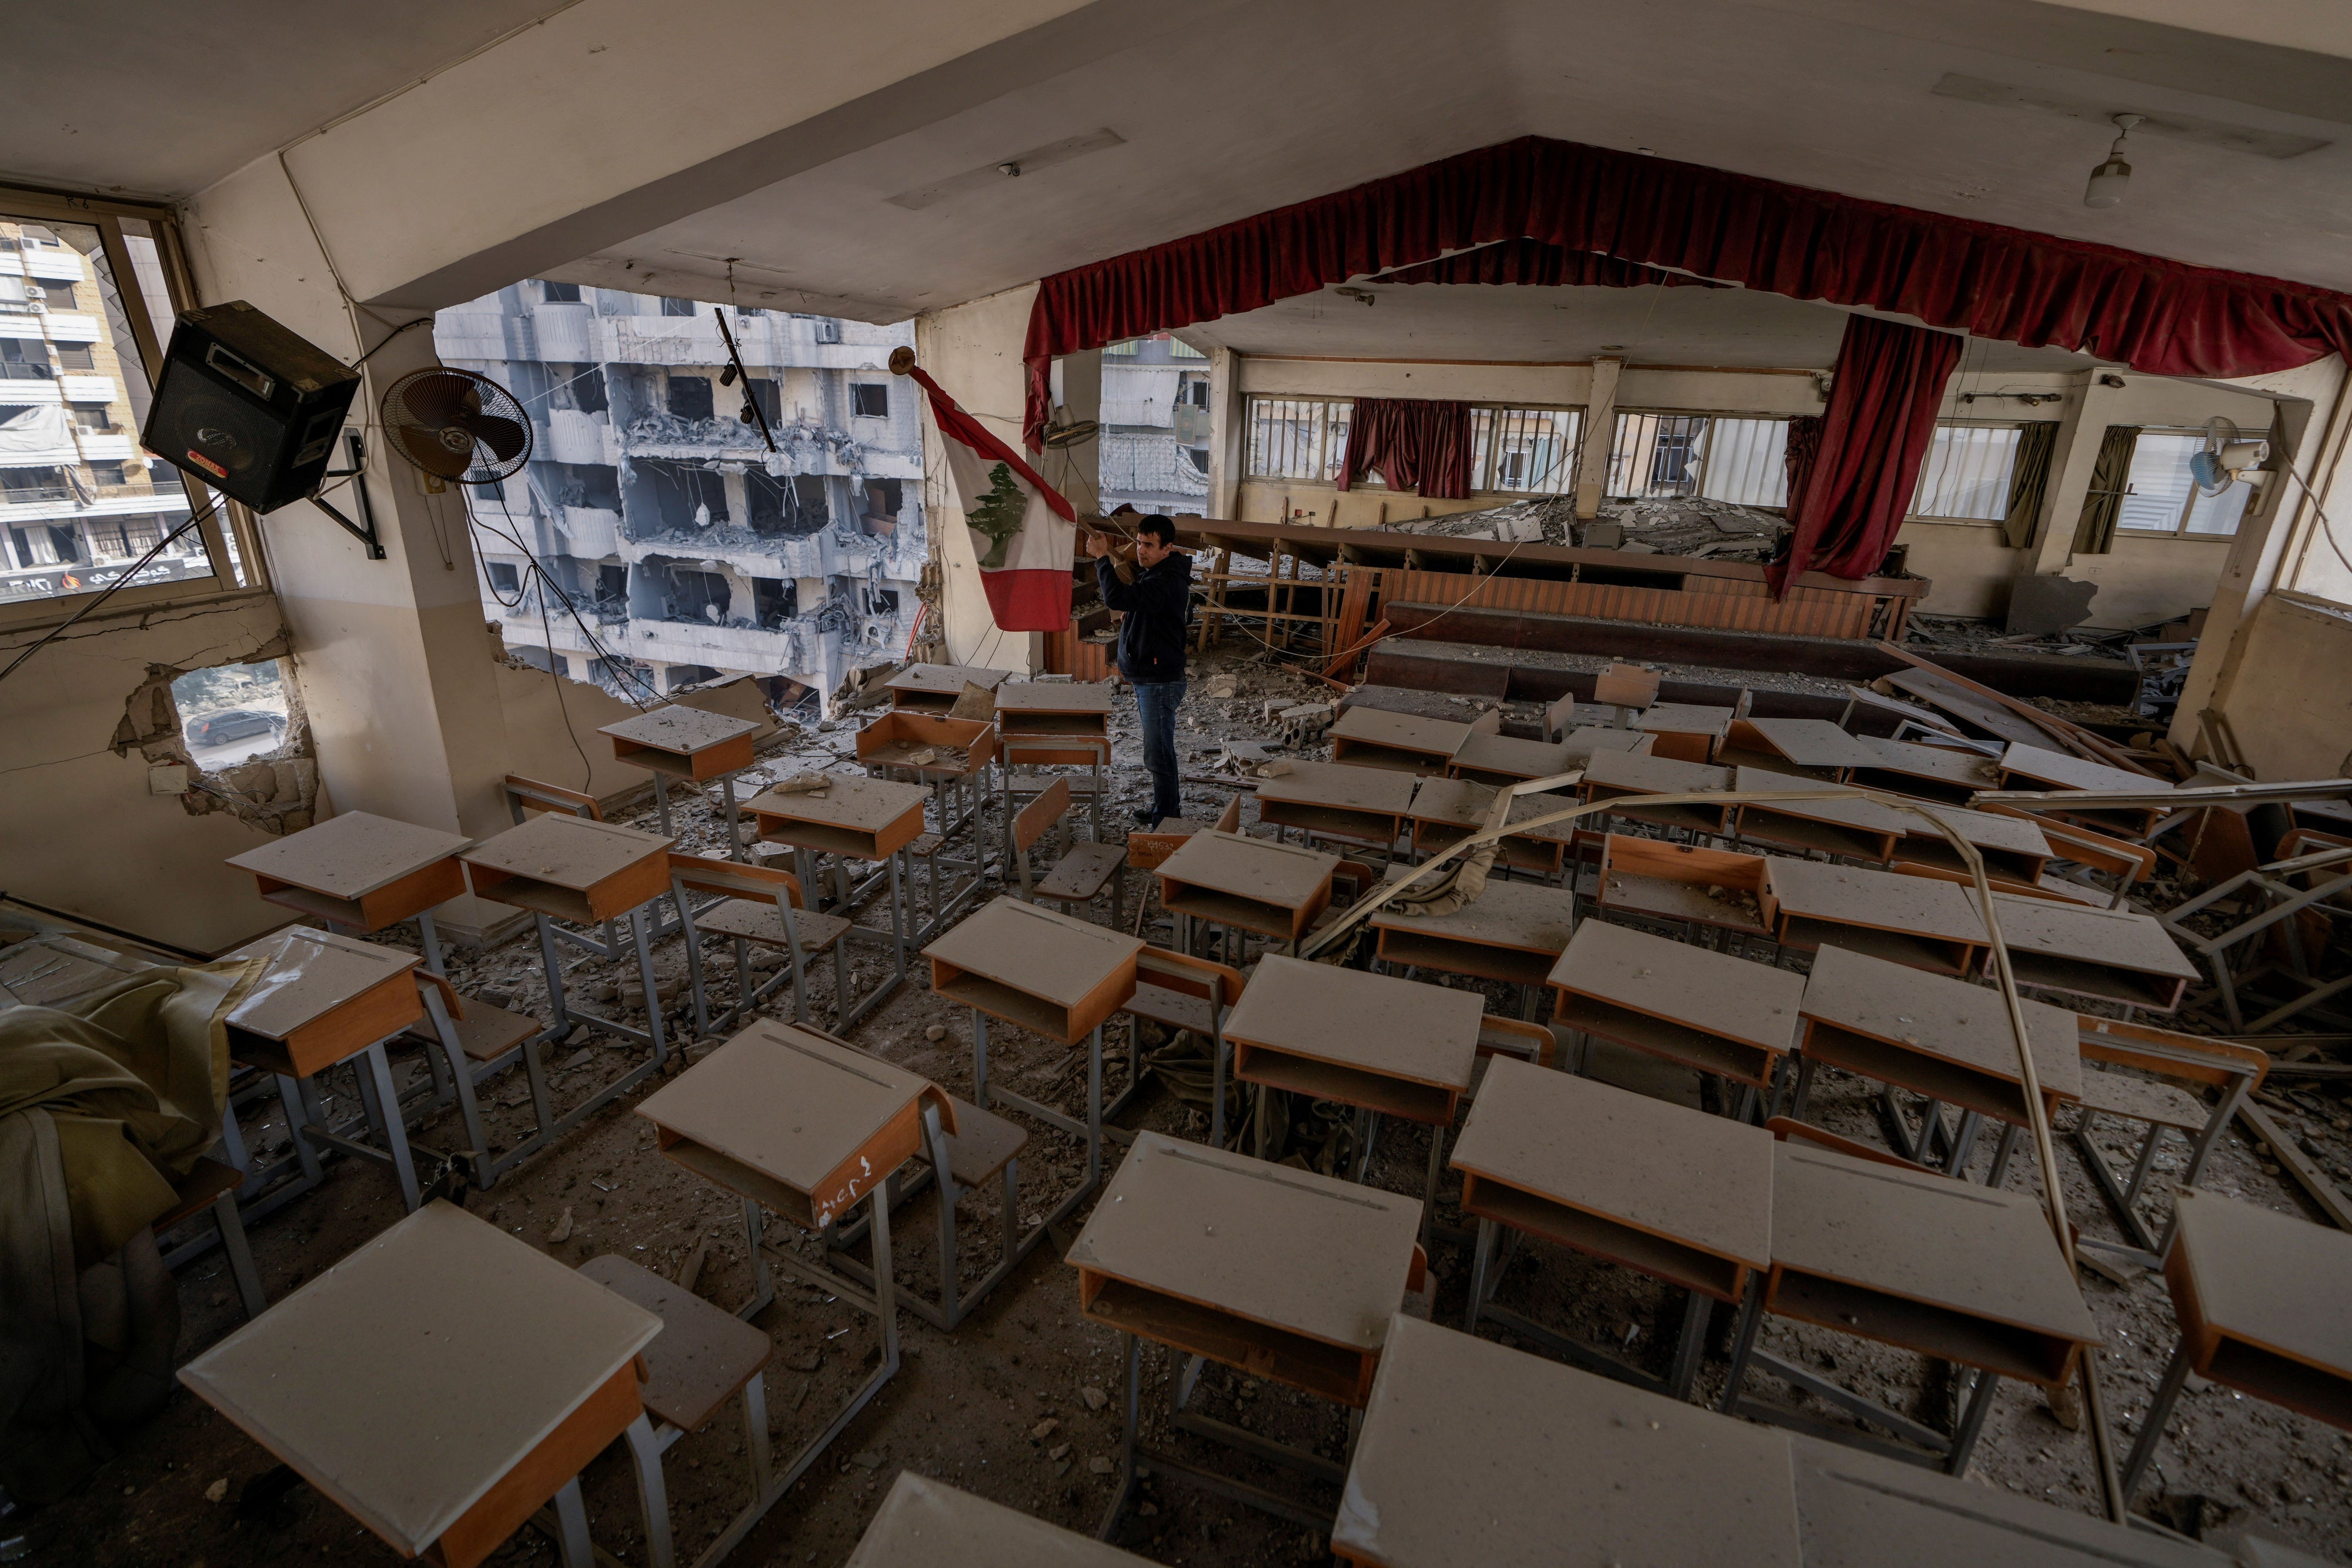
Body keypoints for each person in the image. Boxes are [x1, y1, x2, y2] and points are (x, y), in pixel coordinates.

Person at [1082, 513, 1190, 828]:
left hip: (1160, 681)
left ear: (1167, 548)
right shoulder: (1157, 573)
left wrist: (1102, 558)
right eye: (1139, 543)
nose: (1141, 551)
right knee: (1157, 751)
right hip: (1151, 679)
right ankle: (1164, 805)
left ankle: (1167, 817)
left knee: (1158, 754)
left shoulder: (1166, 580)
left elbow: (1116, 596)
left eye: (1149, 546)